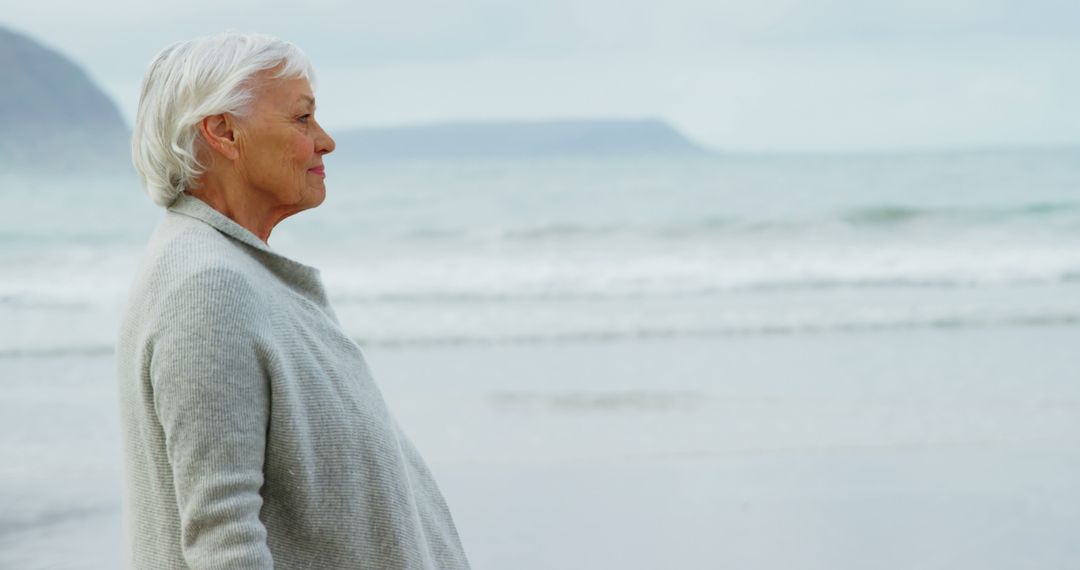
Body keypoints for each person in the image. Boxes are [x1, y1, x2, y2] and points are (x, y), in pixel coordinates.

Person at [116, 31, 472, 569]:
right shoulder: (206, 288)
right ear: (223, 132)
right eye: (302, 119)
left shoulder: (234, 272)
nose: (324, 141)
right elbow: (225, 542)